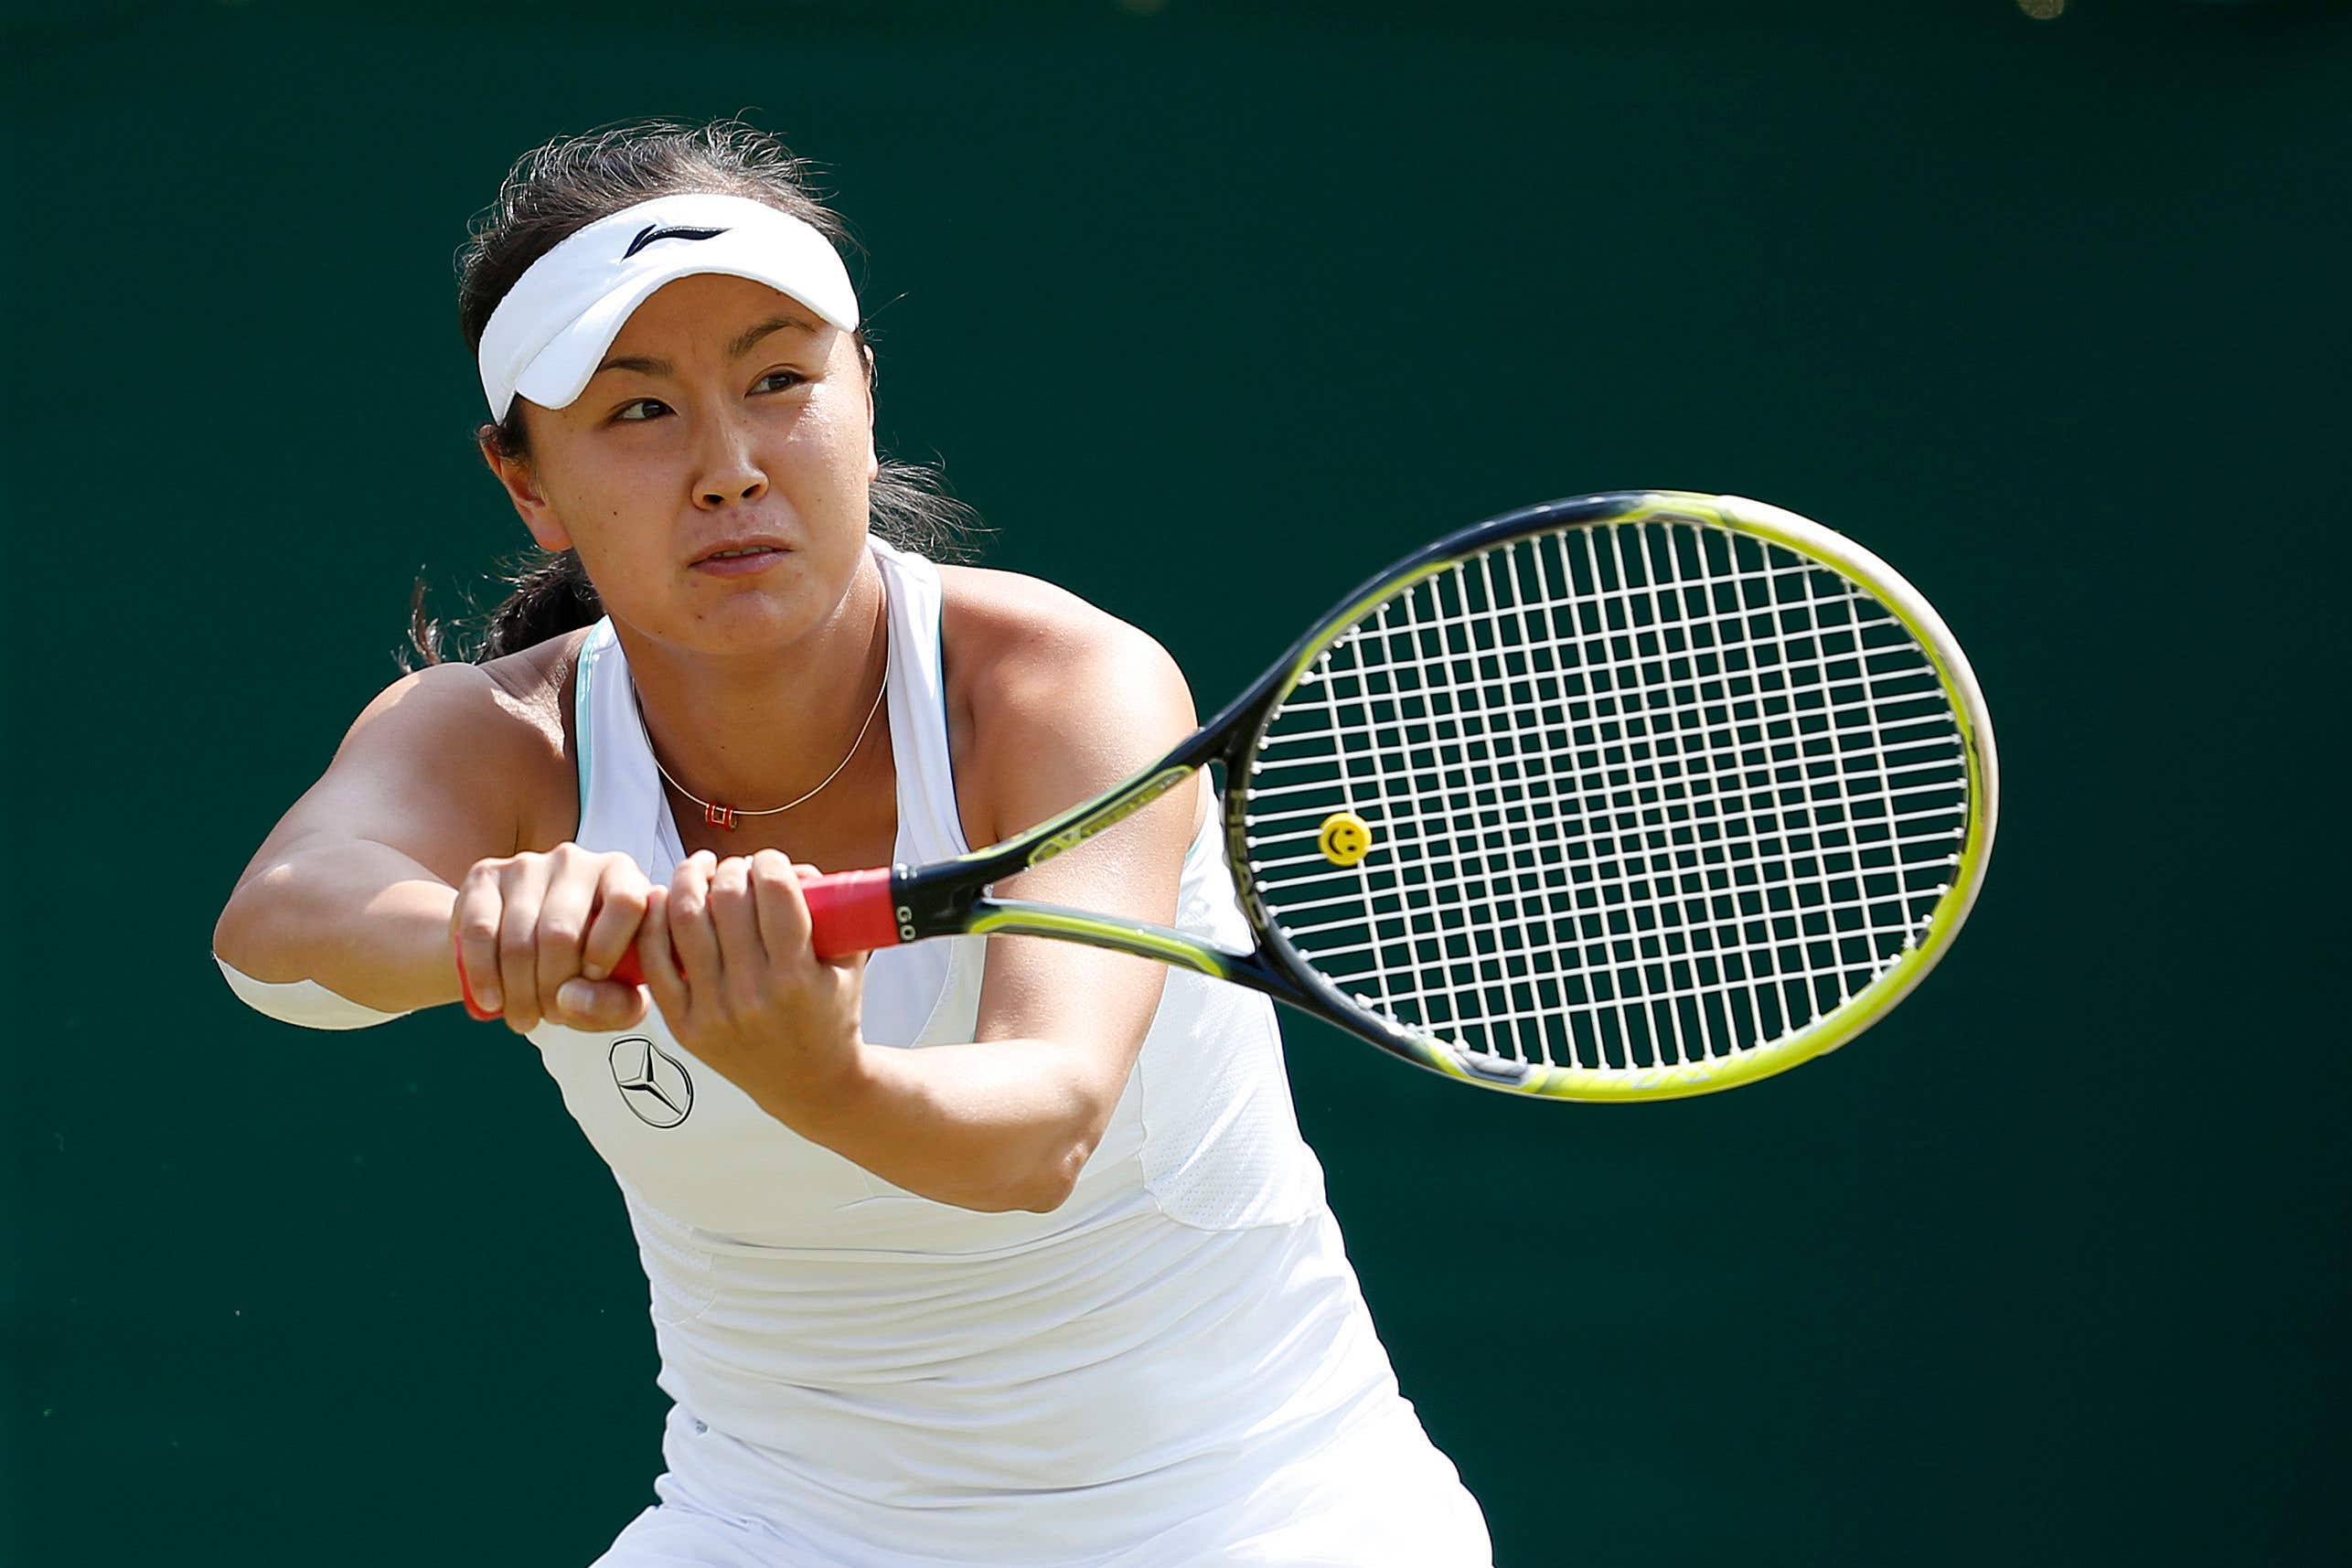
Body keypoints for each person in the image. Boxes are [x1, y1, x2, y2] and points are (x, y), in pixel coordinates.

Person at [212, 119, 1493, 1568]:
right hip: (769, 1530)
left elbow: (1042, 1130)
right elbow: (279, 932)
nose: (729, 466)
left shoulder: (1060, 689)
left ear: (865, 400)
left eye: (779, 381)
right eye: (639, 412)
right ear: (529, 484)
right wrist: (483, 928)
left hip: (1249, 1522)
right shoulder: (502, 743)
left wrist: (819, 1075)